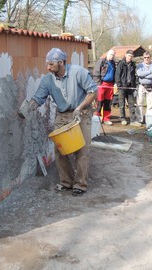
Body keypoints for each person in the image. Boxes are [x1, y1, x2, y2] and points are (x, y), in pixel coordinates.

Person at [20, 48, 98, 196]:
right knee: (60, 150)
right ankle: (66, 182)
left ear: (61, 63)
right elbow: (38, 98)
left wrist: (80, 107)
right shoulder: (48, 79)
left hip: (81, 114)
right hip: (62, 115)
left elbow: (93, 91)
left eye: (51, 64)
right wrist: (27, 109)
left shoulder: (78, 72)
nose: (48, 67)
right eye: (47, 64)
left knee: (82, 149)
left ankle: (80, 184)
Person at [115, 50, 139, 126]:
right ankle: (123, 118)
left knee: (131, 104)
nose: (130, 57)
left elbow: (134, 76)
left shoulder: (133, 64)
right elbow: (117, 75)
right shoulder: (121, 64)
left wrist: (134, 86)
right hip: (122, 87)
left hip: (130, 87)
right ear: (125, 55)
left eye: (131, 56)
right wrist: (119, 85)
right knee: (122, 104)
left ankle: (133, 120)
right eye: (129, 56)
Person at [92, 49, 116, 125]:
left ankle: (106, 118)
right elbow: (96, 73)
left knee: (108, 102)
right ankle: (97, 117)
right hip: (102, 84)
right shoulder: (101, 61)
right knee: (99, 101)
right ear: (107, 54)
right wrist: (98, 84)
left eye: (113, 55)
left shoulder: (113, 63)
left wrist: (114, 83)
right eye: (111, 54)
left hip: (110, 85)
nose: (112, 56)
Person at [135, 51, 152, 124]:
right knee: (139, 103)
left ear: (150, 58)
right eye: (145, 57)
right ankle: (140, 119)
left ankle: (149, 119)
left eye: (148, 57)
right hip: (141, 86)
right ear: (143, 58)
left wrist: (144, 75)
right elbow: (139, 74)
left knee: (150, 104)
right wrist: (149, 72)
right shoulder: (140, 65)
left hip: (150, 86)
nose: (146, 59)